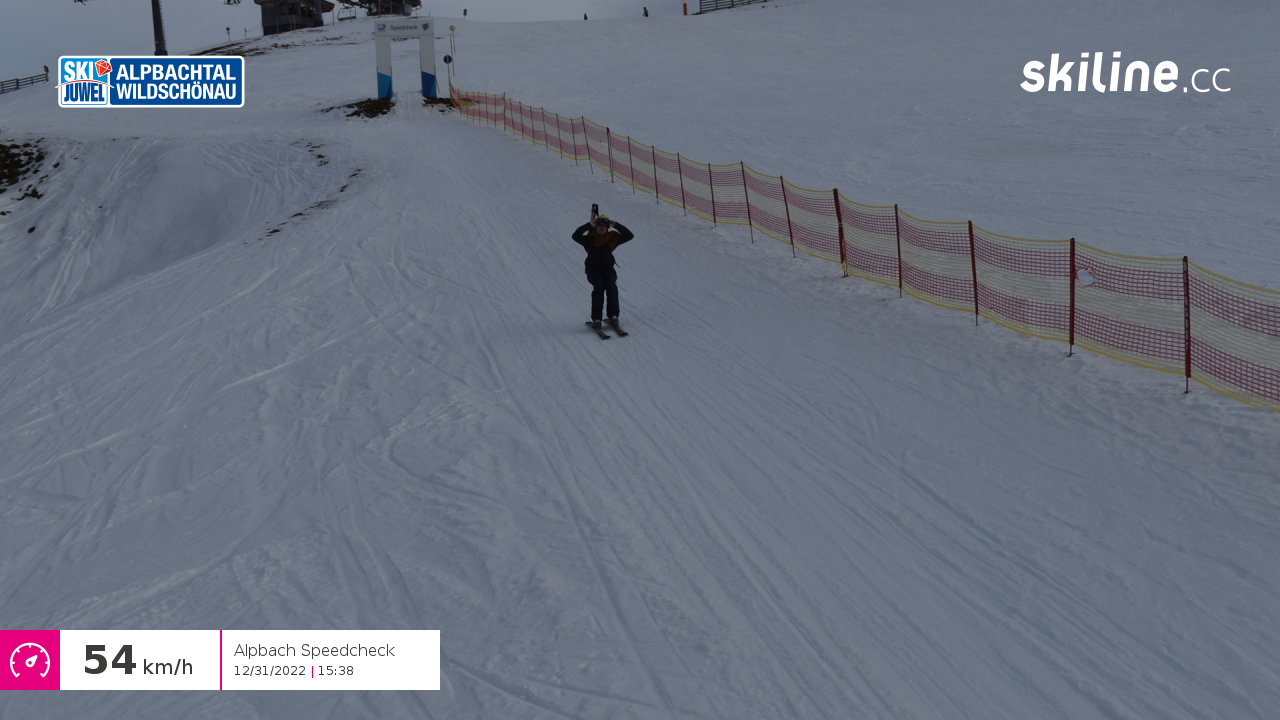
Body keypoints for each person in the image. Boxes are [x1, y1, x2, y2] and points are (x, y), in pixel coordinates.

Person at [571, 215, 634, 331]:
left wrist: (615, 224)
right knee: (599, 287)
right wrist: (589, 225)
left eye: (604, 226)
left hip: (608, 269)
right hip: (593, 270)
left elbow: (629, 235)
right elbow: (575, 236)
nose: (601, 227)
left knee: (611, 287)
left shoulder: (612, 238)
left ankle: (613, 316)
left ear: (607, 228)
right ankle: (596, 319)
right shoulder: (589, 239)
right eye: (599, 225)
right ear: (595, 227)